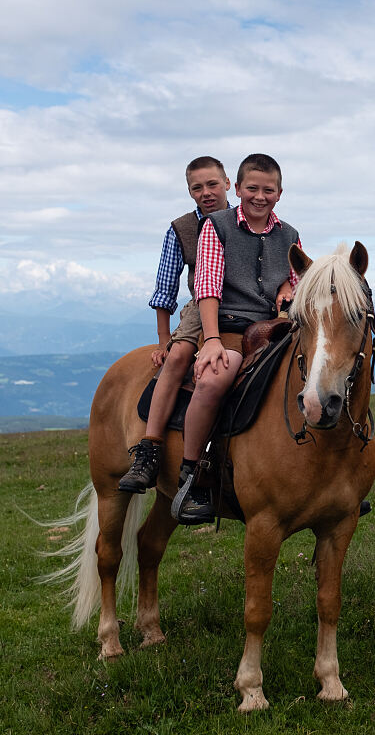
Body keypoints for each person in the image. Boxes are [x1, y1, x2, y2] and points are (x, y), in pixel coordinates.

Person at [172, 153, 301, 524]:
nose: (260, 197)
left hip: (270, 330)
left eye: (269, 190)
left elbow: (294, 279)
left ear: (280, 193)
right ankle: (192, 474)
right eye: (253, 189)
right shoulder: (217, 225)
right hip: (227, 326)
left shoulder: (289, 235)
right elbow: (207, 284)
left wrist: (285, 292)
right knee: (216, 375)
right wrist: (211, 339)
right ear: (239, 188)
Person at [118, 156, 232, 495]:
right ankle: (149, 448)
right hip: (202, 304)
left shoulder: (245, 219)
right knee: (179, 356)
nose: (206, 192)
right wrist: (164, 339)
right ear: (189, 192)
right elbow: (165, 287)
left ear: (227, 184)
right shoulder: (182, 229)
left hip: (250, 302)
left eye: (212, 184)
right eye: (197, 188)